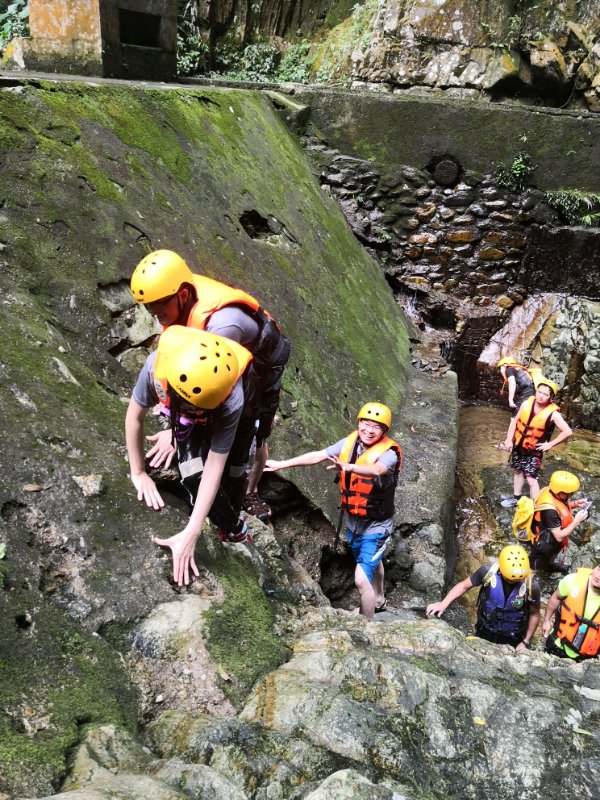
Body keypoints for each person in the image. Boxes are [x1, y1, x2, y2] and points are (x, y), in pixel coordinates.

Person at [130, 249, 291, 523]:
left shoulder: (222, 326)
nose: (155, 314)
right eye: (149, 308)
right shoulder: (175, 294)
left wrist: (175, 432)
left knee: (259, 430)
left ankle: (250, 489)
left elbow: (211, 381)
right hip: (228, 359)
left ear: (182, 295)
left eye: (160, 306)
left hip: (259, 366)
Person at [125, 326, 258, 586]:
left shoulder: (232, 397)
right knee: (192, 473)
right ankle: (229, 521)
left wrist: (193, 530)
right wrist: (138, 472)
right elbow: (134, 417)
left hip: (229, 412)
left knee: (234, 469)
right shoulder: (156, 368)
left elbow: (216, 463)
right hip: (191, 400)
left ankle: (233, 518)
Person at [265, 403, 402, 620]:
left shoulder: (389, 453)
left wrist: (350, 468)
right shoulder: (350, 441)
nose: (369, 430)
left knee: (360, 579)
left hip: (376, 526)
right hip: (353, 522)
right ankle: (379, 598)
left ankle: (368, 623)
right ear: (358, 423)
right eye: (365, 424)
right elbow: (318, 455)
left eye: (376, 427)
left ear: (384, 431)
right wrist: (281, 464)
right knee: (372, 561)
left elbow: (377, 470)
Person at [426, 545, 540, 651]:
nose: (512, 582)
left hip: (512, 637)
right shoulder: (488, 572)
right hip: (485, 630)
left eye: (515, 580)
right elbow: (464, 586)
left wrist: (525, 642)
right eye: (509, 578)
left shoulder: (531, 586)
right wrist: (443, 604)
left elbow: (535, 614)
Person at [497, 376, 572, 507]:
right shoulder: (526, 403)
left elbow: (567, 431)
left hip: (534, 450)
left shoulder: (553, 414)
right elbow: (515, 421)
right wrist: (508, 440)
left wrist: (550, 444)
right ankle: (516, 498)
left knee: (531, 479)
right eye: (539, 392)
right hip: (519, 445)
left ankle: (536, 507)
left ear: (551, 397)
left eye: (545, 394)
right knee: (517, 471)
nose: (541, 396)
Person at [529, 470, 589, 573]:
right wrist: (576, 521)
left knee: (550, 557)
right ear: (559, 492)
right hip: (544, 543)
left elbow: (560, 506)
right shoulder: (549, 511)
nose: (571, 494)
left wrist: (575, 503)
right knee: (536, 566)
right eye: (568, 493)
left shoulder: (550, 490)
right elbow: (559, 536)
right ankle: (535, 575)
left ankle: (549, 566)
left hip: (551, 538)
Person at [542, 564, 600, 661]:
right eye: (599, 569)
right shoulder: (572, 581)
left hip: (586, 658)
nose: (598, 576)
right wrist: (546, 621)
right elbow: (556, 598)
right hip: (557, 644)